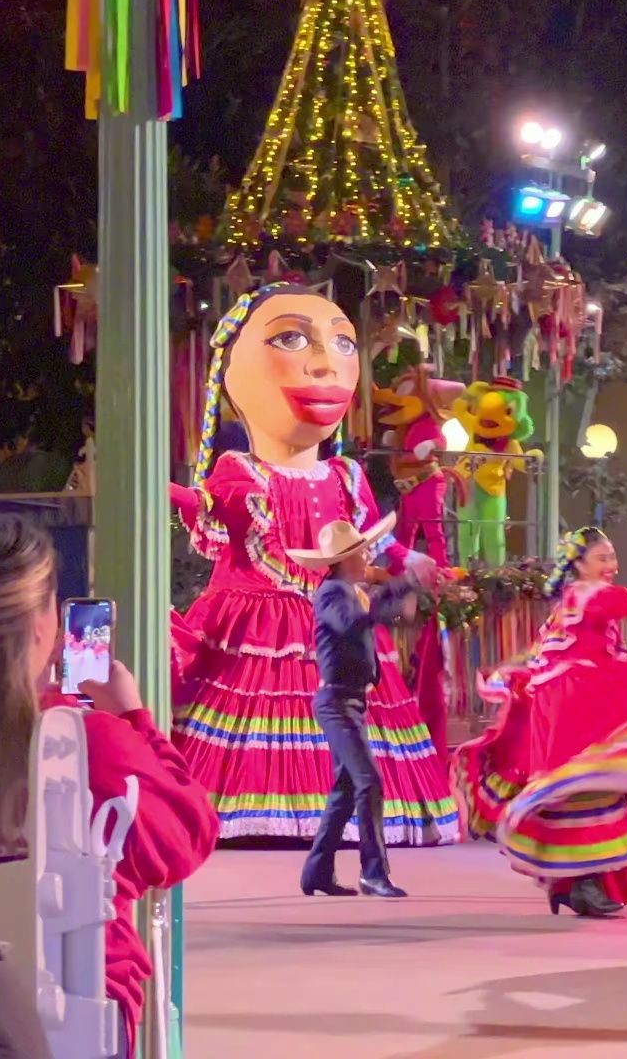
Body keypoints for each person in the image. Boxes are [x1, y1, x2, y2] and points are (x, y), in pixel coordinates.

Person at [168, 284, 454, 843]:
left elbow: (372, 544)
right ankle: (259, 817)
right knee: (248, 715)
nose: (327, 365)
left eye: (344, 344)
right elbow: (207, 506)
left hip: (331, 615)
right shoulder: (239, 471)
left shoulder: (344, 473)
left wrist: (411, 559)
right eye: (293, 339)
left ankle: (338, 825)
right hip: (252, 616)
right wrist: (162, 488)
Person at [0, 511, 219, 1058]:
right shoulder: (85, 744)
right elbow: (189, 835)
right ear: (42, 626)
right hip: (78, 1012)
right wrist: (136, 719)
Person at [452, 527, 627, 917]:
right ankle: (582, 883)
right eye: (602, 558)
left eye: (613, 556)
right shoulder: (591, 593)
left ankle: (569, 883)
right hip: (578, 700)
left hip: (565, 700)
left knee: (576, 786)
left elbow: (543, 650)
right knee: (594, 782)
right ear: (579, 564)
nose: (612, 565)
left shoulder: (568, 601)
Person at [294, 515, 427, 899]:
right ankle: (373, 873)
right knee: (369, 782)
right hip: (336, 702)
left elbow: (381, 617)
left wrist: (404, 593)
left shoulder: (351, 591)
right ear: (344, 560)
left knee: (345, 788)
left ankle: (316, 872)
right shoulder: (333, 592)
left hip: (350, 701)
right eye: (360, 550)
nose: (367, 554)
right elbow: (354, 623)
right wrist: (403, 582)